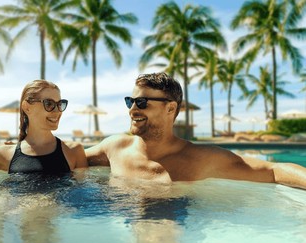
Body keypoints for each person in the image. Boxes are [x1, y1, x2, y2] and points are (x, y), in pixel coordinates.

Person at [86, 72, 306, 189]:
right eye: (130, 101)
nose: (133, 109)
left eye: (142, 102)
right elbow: (65, 156)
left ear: (171, 108)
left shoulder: (202, 159)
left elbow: (274, 170)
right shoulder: (114, 148)